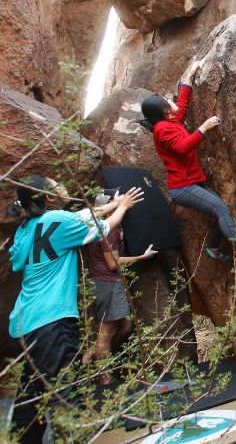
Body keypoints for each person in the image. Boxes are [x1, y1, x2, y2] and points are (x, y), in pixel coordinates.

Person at [5, 176, 143, 443]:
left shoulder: (26, 227)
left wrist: (109, 204)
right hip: (51, 322)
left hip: (21, 325)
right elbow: (103, 228)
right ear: (49, 197)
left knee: (31, 398)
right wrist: (123, 206)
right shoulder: (59, 221)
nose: (64, 187)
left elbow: (83, 216)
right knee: (66, 397)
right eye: (59, 185)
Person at [139, 61, 236, 264]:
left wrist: (188, 80)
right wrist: (203, 129)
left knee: (217, 213)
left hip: (192, 182)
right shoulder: (162, 129)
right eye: (165, 102)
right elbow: (182, 148)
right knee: (221, 209)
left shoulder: (169, 122)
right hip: (183, 186)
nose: (170, 102)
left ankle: (214, 247)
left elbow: (181, 108)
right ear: (162, 111)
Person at [82, 194, 157, 385]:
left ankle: (95, 356)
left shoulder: (100, 224)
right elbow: (112, 263)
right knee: (106, 331)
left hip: (105, 283)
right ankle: (104, 379)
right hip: (107, 283)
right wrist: (142, 257)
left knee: (124, 326)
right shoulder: (110, 229)